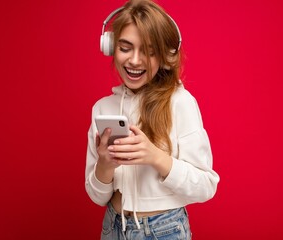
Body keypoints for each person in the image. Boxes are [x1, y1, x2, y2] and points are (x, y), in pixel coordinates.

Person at [85, 0, 220, 239]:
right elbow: (97, 197)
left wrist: (156, 158)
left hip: (163, 230)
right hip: (113, 227)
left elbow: (206, 186)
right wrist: (105, 166)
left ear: (165, 56)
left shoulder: (180, 102)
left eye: (149, 51)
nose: (135, 61)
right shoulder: (102, 109)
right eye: (125, 48)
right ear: (110, 47)